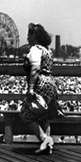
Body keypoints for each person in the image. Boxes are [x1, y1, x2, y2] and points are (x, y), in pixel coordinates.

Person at [20, 23, 61, 154]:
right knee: (44, 115)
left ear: (34, 36)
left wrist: (31, 88)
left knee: (26, 115)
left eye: (29, 35)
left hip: (40, 84)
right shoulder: (47, 50)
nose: (27, 37)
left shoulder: (35, 49)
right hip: (51, 84)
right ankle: (47, 147)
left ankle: (46, 139)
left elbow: (35, 69)